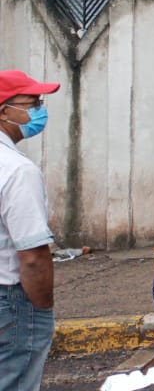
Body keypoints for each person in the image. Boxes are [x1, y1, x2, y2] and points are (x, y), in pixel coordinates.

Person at [0, 70, 60, 391]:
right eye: (32, 102)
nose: (40, 108)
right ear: (4, 112)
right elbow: (34, 256)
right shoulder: (17, 170)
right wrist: (41, 311)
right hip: (11, 300)